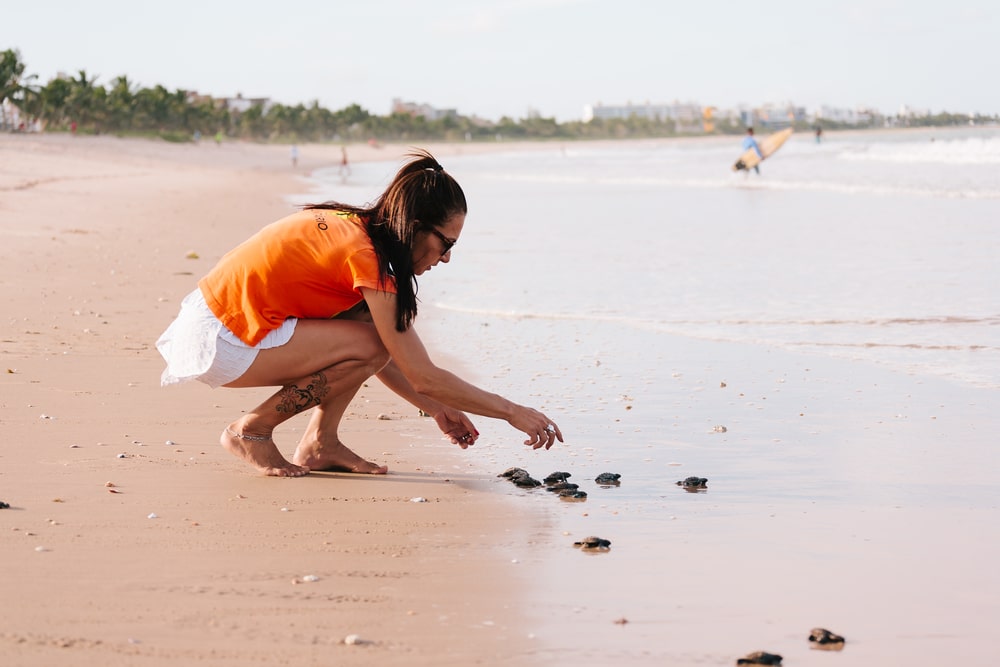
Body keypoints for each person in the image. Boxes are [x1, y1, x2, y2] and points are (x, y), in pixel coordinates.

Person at [156, 149, 563, 477]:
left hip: (217, 323)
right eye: (446, 243)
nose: (447, 258)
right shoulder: (365, 257)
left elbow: (385, 356)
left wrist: (440, 409)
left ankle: (320, 444)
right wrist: (512, 412)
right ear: (417, 225)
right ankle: (252, 430)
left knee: (367, 333)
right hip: (220, 338)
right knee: (369, 342)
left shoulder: (357, 228)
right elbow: (417, 372)